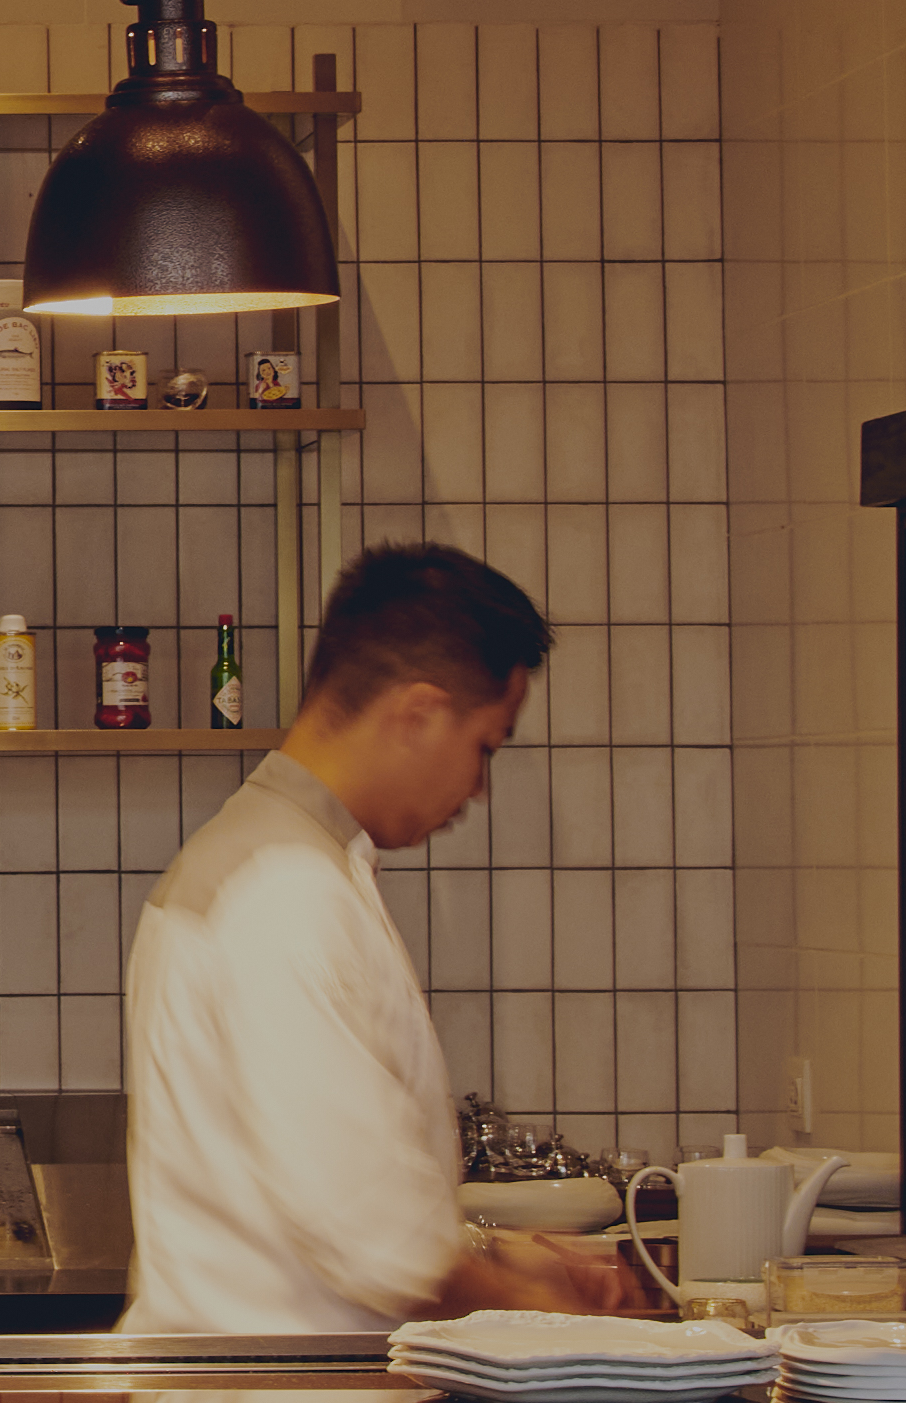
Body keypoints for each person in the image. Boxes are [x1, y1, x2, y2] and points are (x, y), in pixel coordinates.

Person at [116, 543, 645, 1347]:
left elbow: (334, 1198)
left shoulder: (288, 863)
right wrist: (581, 1332)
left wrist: (504, 1255)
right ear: (418, 713)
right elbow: (374, 1246)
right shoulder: (282, 892)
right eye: (485, 748)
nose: (477, 790)